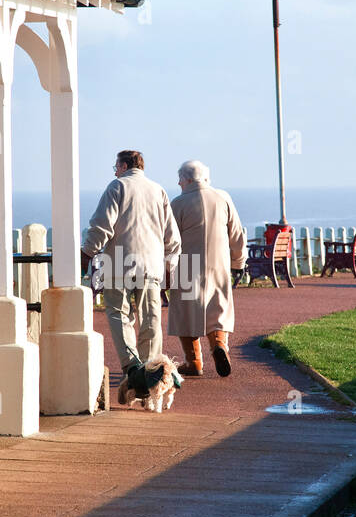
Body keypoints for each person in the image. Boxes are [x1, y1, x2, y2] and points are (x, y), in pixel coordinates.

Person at [82, 149, 181, 404]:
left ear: (124, 165)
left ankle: (132, 367)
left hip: (120, 264)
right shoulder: (158, 190)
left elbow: (102, 225)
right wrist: (170, 265)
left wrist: (87, 252)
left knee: (119, 314)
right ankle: (151, 374)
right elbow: (172, 237)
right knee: (151, 319)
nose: (114, 171)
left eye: (116, 166)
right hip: (151, 266)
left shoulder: (117, 187)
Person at [167, 160, 247, 377]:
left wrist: (165, 271)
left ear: (188, 179)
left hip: (187, 264)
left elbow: (169, 241)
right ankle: (219, 346)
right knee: (217, 308)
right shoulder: (223, 198)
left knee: (186, 313)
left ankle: (193, 362)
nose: (178, 182)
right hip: (218, 263)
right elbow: (237, 234)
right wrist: (238, 263)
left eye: (180, 178)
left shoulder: (177, 204)